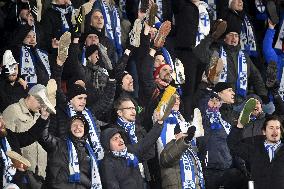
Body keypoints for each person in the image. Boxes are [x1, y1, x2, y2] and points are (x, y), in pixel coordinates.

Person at [2, 84, 56, 178]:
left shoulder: (40, 115)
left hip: (40, 172)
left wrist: (43, 118)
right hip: (20, 172)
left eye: (44, 102)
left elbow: (30, 136)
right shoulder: (12, 110)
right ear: (30, 95)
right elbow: (8, 143)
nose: (41, 105)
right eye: (39, 101)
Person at [99, 112, 164, 189]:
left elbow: (147, 141)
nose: (120, 140)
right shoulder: (107, 163)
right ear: (107, 144)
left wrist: (159, 124)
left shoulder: (129, 151)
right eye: (115, 139)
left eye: (120, 137)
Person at [41, 114, 102, 188]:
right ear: (69, 128)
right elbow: (44, 137)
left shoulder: (89, 151)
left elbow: (93, 177)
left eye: (81, 126)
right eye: (74, 125)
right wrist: (44, 119)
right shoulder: (58, 143)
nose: (78, 128)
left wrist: (85, 181)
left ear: (85, 130)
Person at [227, 115, 284, 189]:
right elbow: (234, 145)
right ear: (264, 132)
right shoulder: (254, 150)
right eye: (271, 128)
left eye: (277, 128)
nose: (275, 131)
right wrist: (239, 126)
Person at [0, 108, 49, 189]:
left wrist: (43, 118)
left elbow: (29, 136)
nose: (2, 122)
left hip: (18, 183)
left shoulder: (8, 135)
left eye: (1, 118)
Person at [160, 125, 205, 189]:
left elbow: (197, 174)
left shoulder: (192, 150)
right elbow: (167, 160)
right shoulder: (169, 147)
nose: (187, 136)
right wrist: (184, 141)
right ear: (176, 135)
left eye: (188, 134)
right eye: (184, 133)